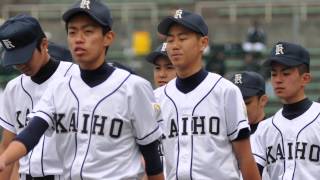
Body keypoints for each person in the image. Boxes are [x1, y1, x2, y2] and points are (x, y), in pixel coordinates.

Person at [0, 0, 164, 180]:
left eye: (88, 31)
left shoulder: (133, 87)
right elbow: (31, 133)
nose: (78, 39)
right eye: (72, 32)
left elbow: (152, 158)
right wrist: (5, 159)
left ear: (108, 37)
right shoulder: (60, 87)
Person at [156, 9, 261, 180]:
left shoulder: (225, 91)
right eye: (170, 40)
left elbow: (245, 158)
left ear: (203, 43)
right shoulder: (157, 98)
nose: (175, 45)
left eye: (182, 38)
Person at [0, 14, 76, 180]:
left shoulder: (75, 78)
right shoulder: (13, 88)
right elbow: (7, 145)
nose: (21, 65)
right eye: (15, 60)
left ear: (44, 44)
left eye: (25, 57)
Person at [251, 42, 320, 179]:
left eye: (286, 73)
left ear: (305, 78)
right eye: (274, 74)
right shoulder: (265, 128)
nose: (278, 80)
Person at [230, 71, 270, 180]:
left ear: (263, 100)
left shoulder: (273, 132)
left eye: (246, 103)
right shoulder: (222, 135)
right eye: (235, 102)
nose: (240, 108)